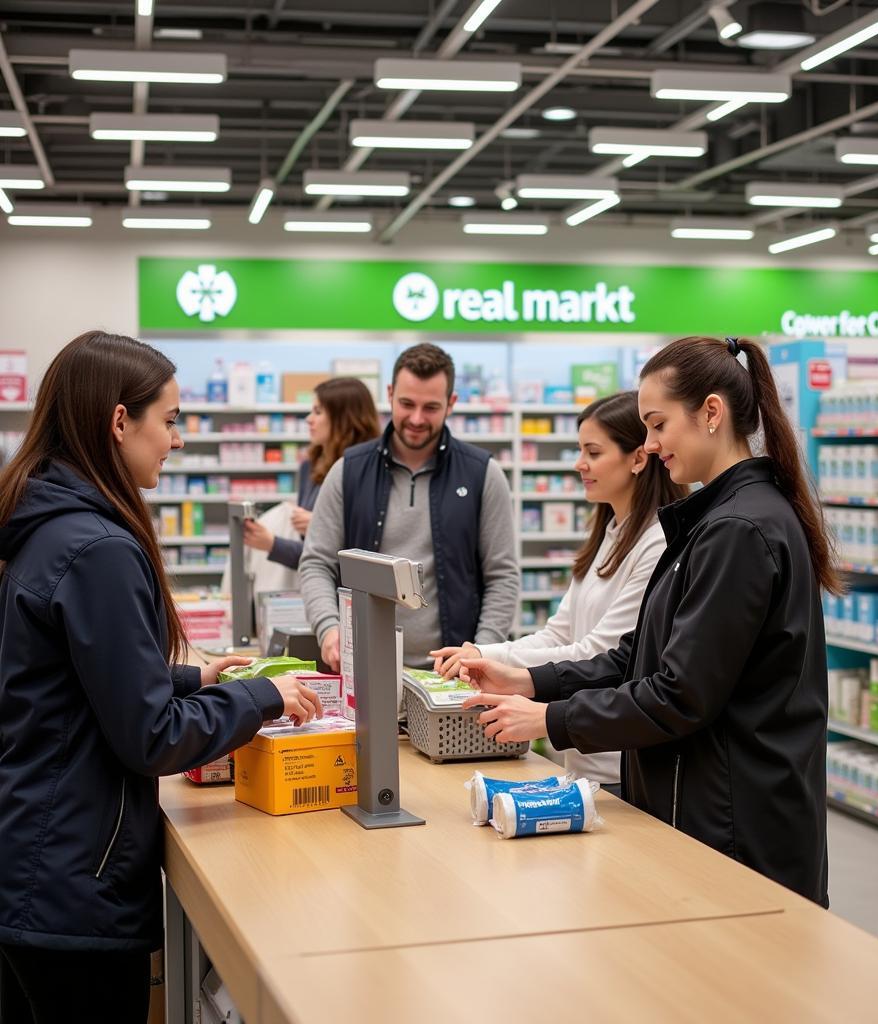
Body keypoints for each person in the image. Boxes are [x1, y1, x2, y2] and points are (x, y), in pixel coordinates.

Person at [0, 331, 323, 1024]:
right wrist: (261, 695)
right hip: (73, 881)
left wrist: (189, 677)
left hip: (35, 859)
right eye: (170, 421)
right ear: (121, 421)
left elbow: (69, 682)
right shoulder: (98, 548)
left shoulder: (48, 523)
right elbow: (152, 739)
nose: (175, 441)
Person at [460, 336, 840, 904]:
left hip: (737, 829)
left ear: (711, 413)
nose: (652, 443)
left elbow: (679, 694)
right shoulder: (718, 519)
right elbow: (640, 652)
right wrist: (529, 681)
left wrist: (548, 719)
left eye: (658, 424)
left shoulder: (738, 531)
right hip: (718, 812)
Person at [430, 391, 684, 790]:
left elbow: (603, 652)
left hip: (621, 764)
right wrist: (484, 654)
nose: (580, 464)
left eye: (593, 452)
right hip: (582, 761)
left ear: (638, 458)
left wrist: (515, 674)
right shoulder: (610, 534)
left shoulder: (656, 544)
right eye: (579, 450)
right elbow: (559, 634)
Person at [299, 343, 518, 670]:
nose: (416, 419)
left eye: (431, 407)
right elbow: (317, 563)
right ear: (389, 394)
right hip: (365, 667)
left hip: (453, 678)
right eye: (406, 404)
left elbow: (502, 576)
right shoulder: (349, 470)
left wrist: (480, 652)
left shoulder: (482, 473)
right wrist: (328, 629)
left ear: (451, 403)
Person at [242, 376, 380, 570]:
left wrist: (275, 544)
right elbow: (312, 555)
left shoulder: (368, 472)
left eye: (318, 412)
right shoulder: (310, 466)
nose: (308, 419)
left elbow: (362, 559)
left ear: (344, 418)